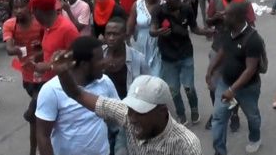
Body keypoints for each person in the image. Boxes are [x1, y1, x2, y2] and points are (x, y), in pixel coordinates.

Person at [51, 52, 203, 155]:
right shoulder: (126, 114)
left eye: (140, 112)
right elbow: (77, 93)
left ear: (162, 111)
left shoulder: (186, 145)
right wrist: (63, 73)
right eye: (131, 109)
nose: (132, 118)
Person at [35, 36, 119, 155]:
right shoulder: (51, 90)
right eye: (100, 59)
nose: (105, 62)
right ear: (84, 65)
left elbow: (117, 119)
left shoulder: (105, 82)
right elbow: (43, 135)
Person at [150, 0, 214, 125]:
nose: (179, 0)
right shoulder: (158, 11)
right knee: (173, 88)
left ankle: (194, 109)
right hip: (168, 56)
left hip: (185, 53)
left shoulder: (186, 9)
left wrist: (208, 32)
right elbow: (152, 30)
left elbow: (195, 28)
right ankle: (181, 113)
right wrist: (158, 32)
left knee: (189, 86)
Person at [207, 1, 265, 155]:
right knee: (219, 118)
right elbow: (223, 51)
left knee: (252, 117)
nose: (223, 16)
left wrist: (233, 90)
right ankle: (220, 151)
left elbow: (250, 69)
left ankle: (255, 138)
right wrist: (210, 69)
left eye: (226, 15)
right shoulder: (228, 31)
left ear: (237, 17)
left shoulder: (253, 39)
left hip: (248, 89)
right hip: (225, 83)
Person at [206, 0, 256, 130]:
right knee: (213, 86)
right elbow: (208, 21)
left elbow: (252, 26)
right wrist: (216, 18)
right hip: (217, 47)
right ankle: (217, 112)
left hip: (236, 52)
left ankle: (234, 114)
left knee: (233, 86)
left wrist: (232, 20)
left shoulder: (243, 3)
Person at [3, 0, 44, 155]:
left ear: (29, 6)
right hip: (27, 77)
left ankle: (34, 150)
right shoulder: (9, 25)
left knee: (36, 112)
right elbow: (9, 48)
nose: (19, 10)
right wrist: (18, 49)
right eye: (15, 8)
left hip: (45, 73)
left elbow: (48, 43)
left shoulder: (40, 23)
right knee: (39, 114)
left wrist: (40, 52)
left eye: (22, 6)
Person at [103, 17, 149, 155]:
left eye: (115, 34)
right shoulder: (98, 56)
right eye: (108, 34)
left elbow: (147, 88)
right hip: (103, 118)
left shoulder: (138, 59)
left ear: (124, 35)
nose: (110, 38)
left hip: (127, 119)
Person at [31, 0, 80, 83]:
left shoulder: (67, 29)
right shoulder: (47, 26)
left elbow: (78, 58)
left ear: (38, 11)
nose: (32, 14)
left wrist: (49, 66)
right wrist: (39, 54)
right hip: (49, 82)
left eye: (33, 11)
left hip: (65, 86)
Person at [127, 0, 162, 77]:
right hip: (141, 41)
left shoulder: (163, 4)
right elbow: (131, 23)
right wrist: (127, 39)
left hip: (158, 42)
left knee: (157, 73)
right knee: (142, 71)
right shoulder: (137, 4)